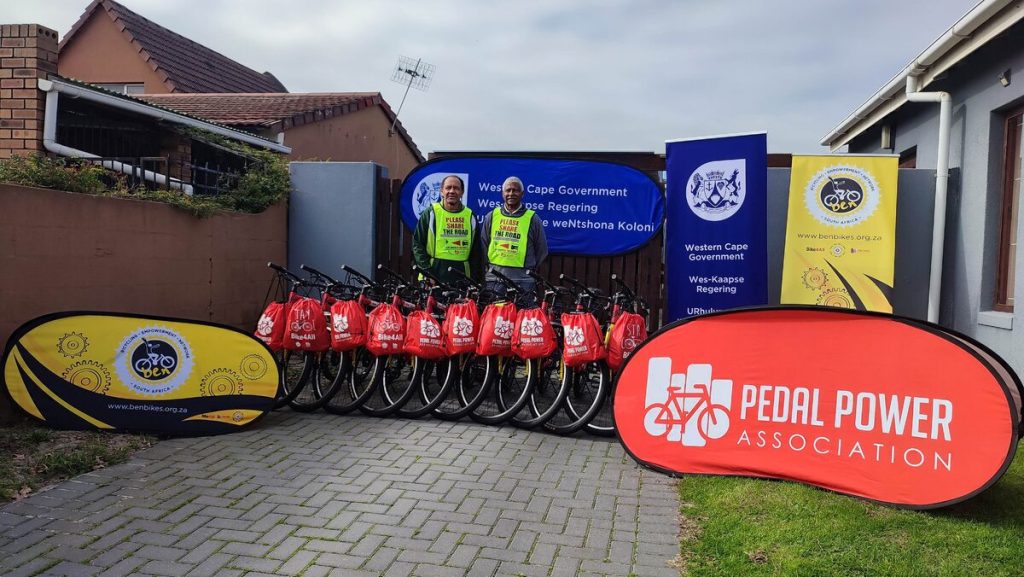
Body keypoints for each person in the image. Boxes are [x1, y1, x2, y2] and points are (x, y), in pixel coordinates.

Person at [480, 176, 548, 301]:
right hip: (495, 280)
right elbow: (483, 245)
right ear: (502, 193)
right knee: (495, 319)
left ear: (522, 194)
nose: (511, 193)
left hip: (523, 281)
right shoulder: (492, 216)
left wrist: (527, 269)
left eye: (515, 190)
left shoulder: (533, 218)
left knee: (522, 319)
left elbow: (542, 249)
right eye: (508, 190)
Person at [411, 175, 480, 286]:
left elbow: (476, 253)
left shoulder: (470, 216)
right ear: (441, 191)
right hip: (432, 279)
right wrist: (428, 272)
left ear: (462, 192)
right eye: (448, 188)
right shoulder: (430, 213)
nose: (452, 191)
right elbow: (417, 245)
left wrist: (474, 281)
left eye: (456, 188)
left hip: (462, 280)